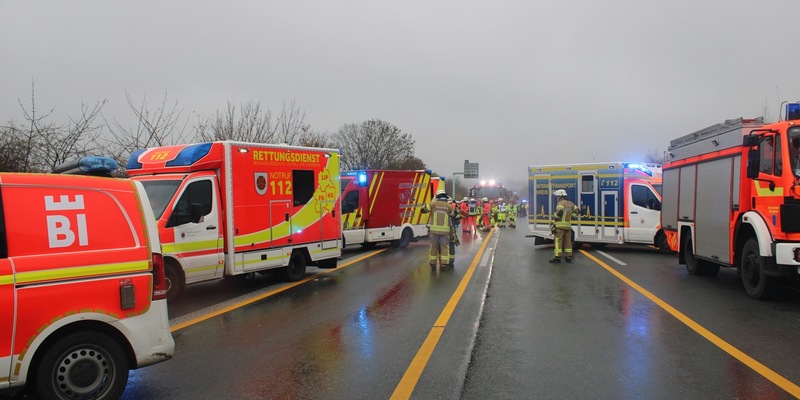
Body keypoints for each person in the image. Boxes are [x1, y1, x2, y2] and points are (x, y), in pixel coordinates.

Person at [422, 189, 455, 269]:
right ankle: (444, 264)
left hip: (434, 231)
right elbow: (453, 215)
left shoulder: (433, 204)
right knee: (444, 247)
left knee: (433, 247)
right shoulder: (449, 206)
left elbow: (423, 210)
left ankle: (433, 264)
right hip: (445, 232)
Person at [549, 189, 580, 263]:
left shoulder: (560, 204)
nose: (557, 198)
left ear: (561, 196)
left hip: (560, 226)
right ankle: (569, 256)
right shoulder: (570, 203)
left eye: (558, 196)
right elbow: (578, 210)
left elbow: (559, 213)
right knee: (568, 241)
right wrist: (572, 216)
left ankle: (557, 257)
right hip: (568, 226)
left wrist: (554, 216)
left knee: (558, 241)